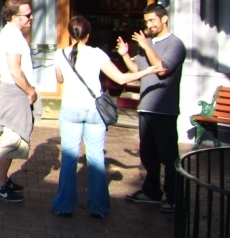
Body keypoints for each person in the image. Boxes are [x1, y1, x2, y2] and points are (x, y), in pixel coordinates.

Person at [52, 15, 162, 218]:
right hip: (94, 110)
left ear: (69, 34)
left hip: (70, 109)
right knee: (96, 157)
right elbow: (120, 78)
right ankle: (99, 207)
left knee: (69, 158)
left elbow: (59, 79)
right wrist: (149, 71)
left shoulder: (60, 54)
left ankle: (64, 205)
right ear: (89, 34)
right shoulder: (97, 54)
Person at [119, 3, 188, 213]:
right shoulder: (146, 44)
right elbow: (137, 70)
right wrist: (124, 54)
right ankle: (152, 191)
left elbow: (162, 70)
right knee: (148, 154)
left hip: (165, 109)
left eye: (152, 21)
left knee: (168, 156)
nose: (149, 25)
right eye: (147, 21)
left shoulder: (175, 44)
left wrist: (147, 45)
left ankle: (173, 197)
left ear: (164, 19)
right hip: (146, 106)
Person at [0, 0, 36, 204]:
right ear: (13, 16)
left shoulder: (14, 34)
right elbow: (15, 70)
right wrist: (30, 91)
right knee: (10, 137)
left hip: (15, 90)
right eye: (27, 15)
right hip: (14, 91)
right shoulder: (12, 36)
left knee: (15, 136)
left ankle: (3, 180)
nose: (31, 17)